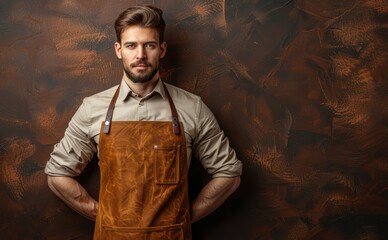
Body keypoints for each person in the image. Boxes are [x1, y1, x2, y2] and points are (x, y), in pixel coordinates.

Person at [44, 5, 242, 240]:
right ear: (119, 50)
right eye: (131, 45)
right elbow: (57, 174)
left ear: (162, 49)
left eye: (149, 45)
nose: (140, 55)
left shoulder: (192, 108)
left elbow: (229, 174)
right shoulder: (92, 109)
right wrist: (103, 215)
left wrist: (183, 219)